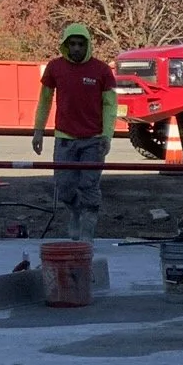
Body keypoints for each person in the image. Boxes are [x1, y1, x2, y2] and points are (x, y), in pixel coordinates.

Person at [31, 23, 117, 241]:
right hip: (65, 139)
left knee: (89, 186)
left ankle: (87, 233)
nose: (77, 48)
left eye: (81, 44)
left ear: (87, 45)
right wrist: (38, 131)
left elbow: (110, 105)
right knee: (64, 186)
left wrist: (107, 135)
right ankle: (75, 213)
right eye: (72, 44)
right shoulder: (55, 68)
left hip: (93, 139)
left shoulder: (102, 70)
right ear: (65, 45)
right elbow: (44, 101)